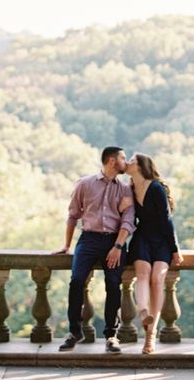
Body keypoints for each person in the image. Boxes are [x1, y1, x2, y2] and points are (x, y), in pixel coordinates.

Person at [54, 146, 135, 354]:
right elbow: (72, 215)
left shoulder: (125, 189)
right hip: (89, 239)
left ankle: (111, 336)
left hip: (114, 241)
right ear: (111, 161)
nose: (125, 162)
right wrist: (66, 245)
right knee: (77, 280)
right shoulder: (84, 184)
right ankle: (74, 332)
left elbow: (128, 220)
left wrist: (118, 246)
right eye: (123, 158)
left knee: (113, 283)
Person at [125, 152, 183, 354]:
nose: (127, 162)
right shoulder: (129, 188)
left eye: (131, 160)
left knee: (157, 279)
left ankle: (150, 337)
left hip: (161, 240)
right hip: (142, 238)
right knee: (142, 273)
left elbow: (167, 220)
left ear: (141, 166)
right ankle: (142, 312)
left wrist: (175, 250)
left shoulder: (156, 188)